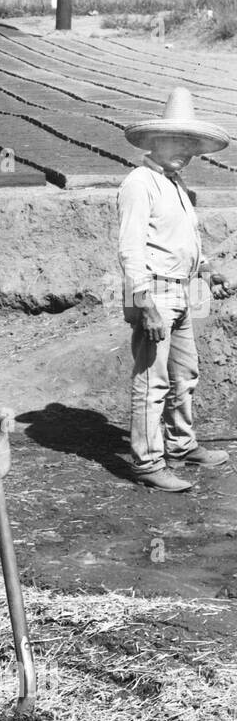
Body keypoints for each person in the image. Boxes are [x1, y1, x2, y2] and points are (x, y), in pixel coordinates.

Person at [118, 88, 234, 491]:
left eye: (191, 145)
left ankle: (181, 445)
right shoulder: (140, 183)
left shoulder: (176, 185)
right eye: (177, 142)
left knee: (184, 374)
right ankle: (148, 463)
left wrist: (206, 270)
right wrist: (144, 303)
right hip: (154, 294)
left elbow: (180, 242)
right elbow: (131, 249)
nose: (185, 152)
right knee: (152, 380)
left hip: (182, 292)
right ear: (154, 141)